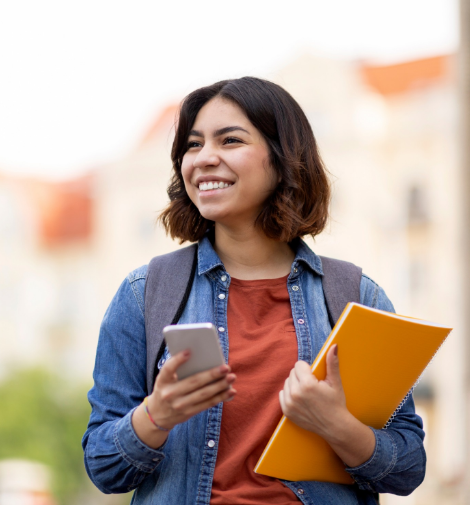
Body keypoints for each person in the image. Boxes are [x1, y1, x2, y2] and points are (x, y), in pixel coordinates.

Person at [82, 77, 426, 504]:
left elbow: (408, 467)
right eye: (193, 145)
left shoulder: (355, 295)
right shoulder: (144, 294)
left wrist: (335, 425)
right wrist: (157, 415)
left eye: (229, 140)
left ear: (283, 159)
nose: (205, 158)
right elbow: (103, 466)